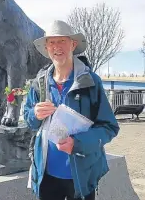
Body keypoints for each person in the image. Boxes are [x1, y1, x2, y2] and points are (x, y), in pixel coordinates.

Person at [24, 20, 119, 200]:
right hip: (45, 175)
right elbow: (28, 118)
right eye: (52, 42)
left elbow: (109, 127)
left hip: (81, 175)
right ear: (46, 47)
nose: (56, 47)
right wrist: (34, 114)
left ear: (73, 44)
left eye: (62, 41)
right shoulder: (39, 83)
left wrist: (78, 143)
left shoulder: (91, 81)